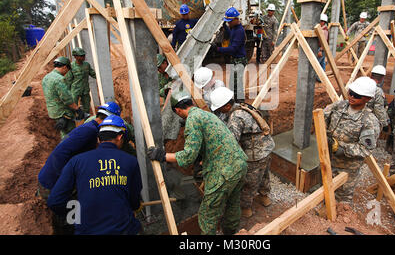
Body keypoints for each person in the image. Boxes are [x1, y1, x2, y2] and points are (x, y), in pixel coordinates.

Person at [147, 89, 248, 235]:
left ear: (177, 110)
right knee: (232, 202)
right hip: (240, 164)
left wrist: (162, 155)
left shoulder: (193, 120)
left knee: (207, 214)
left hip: (225, 172)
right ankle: (231, 232)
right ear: (191, 102)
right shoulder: (205, 114)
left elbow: (188, 156)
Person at [47, 115, 143, 235]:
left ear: (98, 139)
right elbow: (134, 201)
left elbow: (55, 201)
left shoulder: (77, 161)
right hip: (123, 230)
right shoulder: (131, 161)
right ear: (120, 137)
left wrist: (77, 214)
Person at [210, 87, 275, 218]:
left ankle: (246, 208)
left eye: (220, 108)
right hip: (267, 147)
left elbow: (232, 142)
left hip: (256, 153)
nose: (219, 111)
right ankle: (264, 197)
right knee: (264, 174)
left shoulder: (236, 117)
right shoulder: (242, 107)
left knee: (249, 181)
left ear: (228, 105)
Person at [324, 77, 381, 204]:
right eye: (350, 92)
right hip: (328, 160)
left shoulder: (369, 121)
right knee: (324, 189)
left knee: (342, 197)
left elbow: (365, 149)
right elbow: (322, 116)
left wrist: (340, 148)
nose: (351, 96)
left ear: (368, 99)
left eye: (357, 95)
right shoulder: (339, 106)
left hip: (347, 168)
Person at [37, 106, 110, 199]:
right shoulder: (90, 131)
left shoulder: (88, 127)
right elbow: (61, 154)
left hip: (47, 180)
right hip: (51, 185)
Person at [42, 56, 83, 139]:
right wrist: (77, 109)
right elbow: (66, 99)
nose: (67, 72)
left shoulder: (46, 77)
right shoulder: (59, 79)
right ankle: (71, 150)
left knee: (64, 132)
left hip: (53, 111)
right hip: (63, 112)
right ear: (64, 67)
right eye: (67, 70)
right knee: (69, 134)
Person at [216, 7, 247, 102]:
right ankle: (236, 101)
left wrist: (218, 49)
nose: (228, 23)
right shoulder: (234, 28)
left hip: (239, 60)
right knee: (233, 82)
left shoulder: (239, 31)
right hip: (235, 59)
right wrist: (225, 26)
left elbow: (233, 49)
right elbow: (230, 34)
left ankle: (240, 103)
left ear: (236, 19)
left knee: (237, 84)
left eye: (229, 21)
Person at [65, 47, 96, 114]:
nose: (83, 57)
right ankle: (73, 120)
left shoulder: (86, 65)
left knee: (87, 107)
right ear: (75, 57)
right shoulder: (71, 66)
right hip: (75, 90)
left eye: (83, 55)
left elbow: (93, 74)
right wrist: (67, 92)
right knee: (73, 107)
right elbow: (68, 80)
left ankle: (86, 121)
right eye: (81, 56)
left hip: (85, 90)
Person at [366, 65, 390, 130]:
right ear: (382, 78)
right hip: (368, 120)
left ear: (371, 75)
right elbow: (378, 109)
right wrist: (384, 123)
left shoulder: (361, 84)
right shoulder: (377, 91)